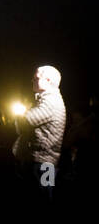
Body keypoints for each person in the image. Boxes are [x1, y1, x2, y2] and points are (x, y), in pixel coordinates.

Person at [14, 65, 67, 198]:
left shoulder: (51, 102)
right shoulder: (50, 100)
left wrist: (19, 115)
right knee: (43, 198)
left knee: (41, 200)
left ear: (48, 80)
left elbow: (23, 123)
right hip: (46, 163)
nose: (32, 80)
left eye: (36, 78)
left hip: (42, 164)